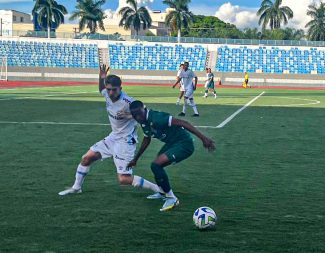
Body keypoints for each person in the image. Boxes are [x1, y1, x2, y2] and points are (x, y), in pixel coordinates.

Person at [58, 64, 160, 196]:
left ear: (120, 88)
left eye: (114, 90)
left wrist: (129, 115)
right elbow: (102, 89)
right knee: (86, 158)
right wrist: (102, 76)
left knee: (124, 179)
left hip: (126, 141)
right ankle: (76, 187)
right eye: (109, 89)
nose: (111, 93)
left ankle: (159, 189)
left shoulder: (129, 102)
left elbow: (146, 113)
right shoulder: (106, 93)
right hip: (113, 137)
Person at [128, 100, 216, 211]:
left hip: (184, 144)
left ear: (144, 109)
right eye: (135, 115)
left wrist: (204, 138)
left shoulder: (157, 118)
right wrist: (136, 159)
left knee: (156, 165)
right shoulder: (143, 122)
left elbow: (184, 123)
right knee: (156, 166)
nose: (138, 117)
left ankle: (172, 198)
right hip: (172, 144)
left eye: (139, 114)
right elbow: (147, 139)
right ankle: (163, 192)